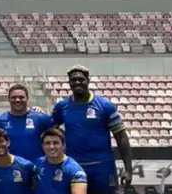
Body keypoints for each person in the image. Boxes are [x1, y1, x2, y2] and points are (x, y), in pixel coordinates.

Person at [51, 65, 133, 194]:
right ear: (69, 82)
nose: (77, 82)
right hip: (74, 166)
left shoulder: (105, 106)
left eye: (81, 79)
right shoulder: (62, 107)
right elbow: (49, 129)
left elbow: (121, 137)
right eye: (73, 80)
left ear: (88, 80)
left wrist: (128, 169)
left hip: (102, 167)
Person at [0, 84, 55, 162]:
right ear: (9, 99)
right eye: (13, 97)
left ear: (27, 99)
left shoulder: (41, 118)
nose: (17, 100)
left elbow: (56, 139)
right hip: (10, 169)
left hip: (36, 167)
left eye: (21, 97)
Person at [33, 128, 88, 194]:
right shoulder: (38, 163)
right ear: (42, 146)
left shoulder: (74, 170)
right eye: (47, 143)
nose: (51, 147)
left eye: (55, 143)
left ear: (63, 145)